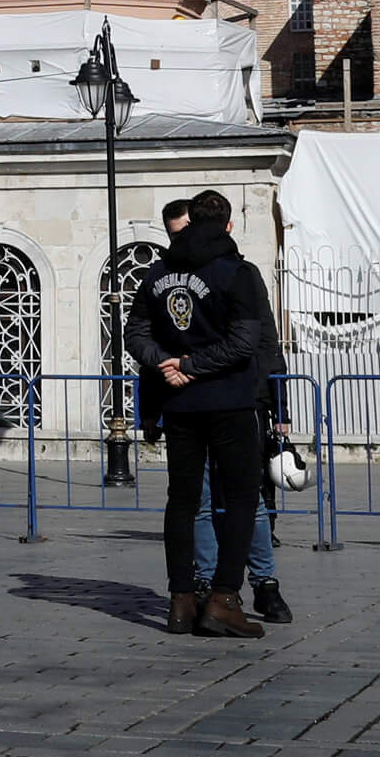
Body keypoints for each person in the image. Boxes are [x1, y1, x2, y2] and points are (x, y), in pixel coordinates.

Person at [128, 188, 273, 640]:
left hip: (179, 404)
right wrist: (190, 367)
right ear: (229, 224)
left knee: (183, 500)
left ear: (188, 223)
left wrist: (165, 364)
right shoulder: (238, 272)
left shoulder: (156, 274)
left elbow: (135, 333)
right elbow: (244, 342)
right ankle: (224, 599)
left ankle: (180, 600)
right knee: (244, 497)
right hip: (226, 398)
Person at [191, 371, 295, 623]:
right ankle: (206, 581)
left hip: (239, 403)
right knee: (201, 502)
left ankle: (264, 583)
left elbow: (269, 356)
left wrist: (279, 410)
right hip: (192, 405)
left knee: (251, 501)